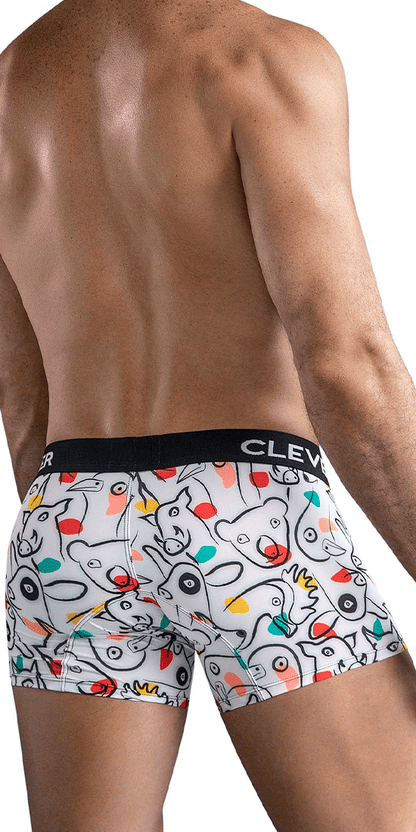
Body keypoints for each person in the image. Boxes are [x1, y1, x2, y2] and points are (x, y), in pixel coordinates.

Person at [1, 1, 416, 830]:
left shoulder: (13, 82)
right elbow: (346, 362)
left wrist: (102, 543)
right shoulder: (263, 58)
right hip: (252, 514)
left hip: (69, 519)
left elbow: (23, 395)